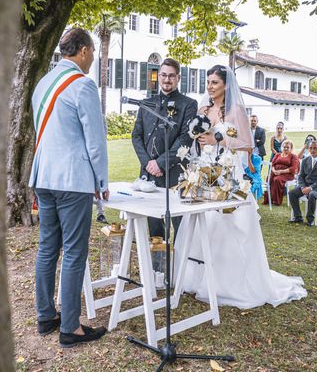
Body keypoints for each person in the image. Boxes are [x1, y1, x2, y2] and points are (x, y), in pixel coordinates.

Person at [177, 65, 307, 309]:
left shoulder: (236, 110)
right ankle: (198, 278)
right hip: (205, 168)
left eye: (215, 82)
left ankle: (229, 282)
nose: (210, 86)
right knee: (202, 222)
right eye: (208, 82)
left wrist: (219, 139)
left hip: (228, 171)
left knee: (228, 224)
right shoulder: (202, 109)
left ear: (226, 85)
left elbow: (247, 143)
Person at [28, 28, 109, 348]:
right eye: (92, 54)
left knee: (48, 247)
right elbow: (96, 141)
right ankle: (71, 327)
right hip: (72, 180)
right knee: (75, 250)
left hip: (44, 176)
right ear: (85, 51)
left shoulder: (42, 84)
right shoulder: (82, 85)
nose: (92, 60)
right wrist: (101, 182)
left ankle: (46, 316)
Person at [131, 58, 198, 244]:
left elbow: (186, 138)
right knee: (155, 229)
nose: (166, 80)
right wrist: (148, 164)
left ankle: (178, 270)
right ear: (158, 76)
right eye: (163, 75)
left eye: (171, 76)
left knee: (180, 226)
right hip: (149, 176)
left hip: (176, 175)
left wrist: (161, 163)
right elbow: (136, 135)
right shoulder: (146, 103)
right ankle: (157, 270)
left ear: (178, 78)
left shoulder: (189, 104)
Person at [288, 140, 317, 226]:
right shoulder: (305, 160)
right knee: (292, 193)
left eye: (315, 148)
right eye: (310, 148)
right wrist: (303, 187)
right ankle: (298, 217)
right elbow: (300, 176)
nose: (312, 150)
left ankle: (310, 220)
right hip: (306, 186)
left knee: (312, 195)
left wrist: (311, 188)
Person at [264, 139, 299, 206]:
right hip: (275, 172)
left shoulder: (293, 157)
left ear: (291, 148)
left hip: (287, 174)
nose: (285, 148)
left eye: (287, 147)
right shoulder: (277, 155)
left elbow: (293, 168)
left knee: (277, 179)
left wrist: (281, 171)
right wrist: (274, 170)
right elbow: (272, 164)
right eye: (284, 147)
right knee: (269, 178)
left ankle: (276, 200)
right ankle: (268, 199)